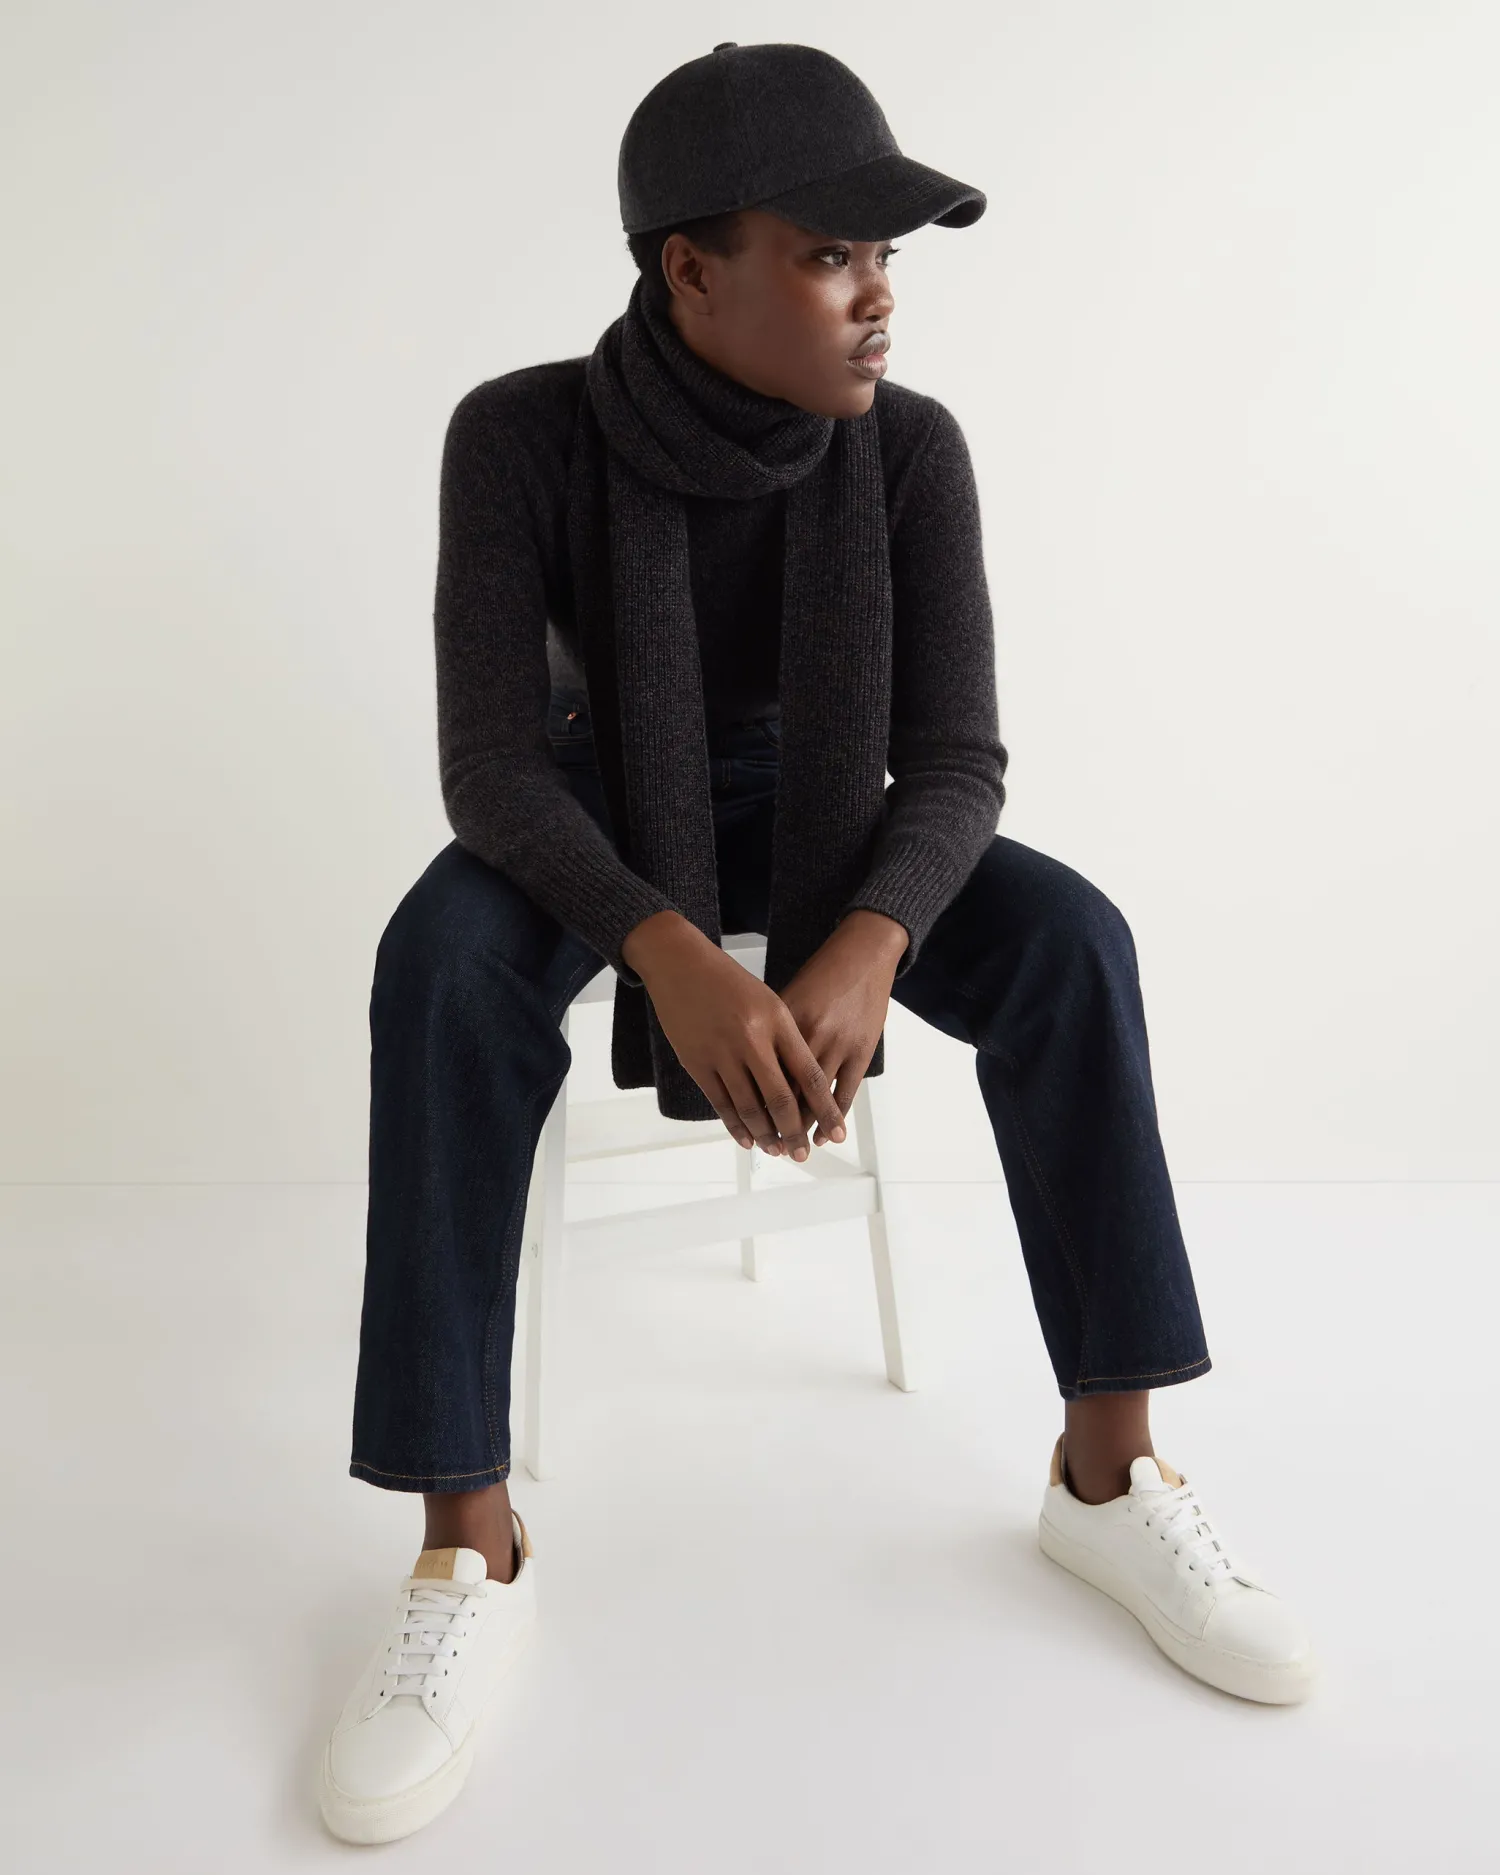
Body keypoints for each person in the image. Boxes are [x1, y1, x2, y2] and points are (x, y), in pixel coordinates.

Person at [317, 41, 1316, 1848]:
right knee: (439, 966)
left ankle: (1110, 1474)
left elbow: (956, 760)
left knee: (1072, 941)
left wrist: (866, 939)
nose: (878, 297)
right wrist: (670, 947)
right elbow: (491, 772)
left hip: (827, 803)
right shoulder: (518, 436)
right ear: (690, 270)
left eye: (887, 256)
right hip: (590, 798)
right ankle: (467, 1544)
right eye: (830, 253)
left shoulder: (911, 450)